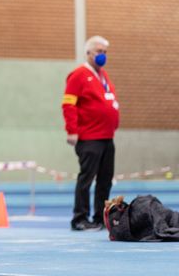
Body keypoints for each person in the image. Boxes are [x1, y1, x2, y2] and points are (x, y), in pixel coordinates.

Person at [62, 35, 120, 231]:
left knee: (105, 180)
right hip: (89, 137)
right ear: (88, 53)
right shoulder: (78, 75)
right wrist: (72, 130)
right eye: (98, 51)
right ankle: (79, 218)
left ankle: (99, 217)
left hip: (107, 137)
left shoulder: (103, 76)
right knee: (86, 179)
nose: (102, 55)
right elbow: (68, 104)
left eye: (105, 52)